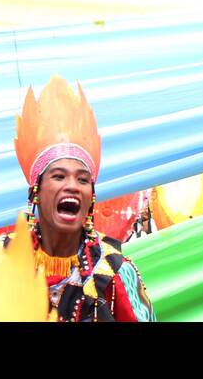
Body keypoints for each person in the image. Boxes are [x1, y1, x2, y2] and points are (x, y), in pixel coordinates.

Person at [12, 76, 156, 322]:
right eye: (59, 176)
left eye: (82, 180)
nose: (72, 186)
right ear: (36, 190)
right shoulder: (3, 258)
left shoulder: (114, 269)